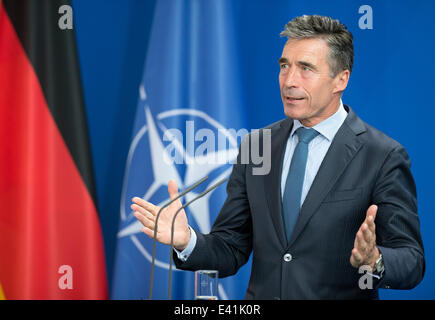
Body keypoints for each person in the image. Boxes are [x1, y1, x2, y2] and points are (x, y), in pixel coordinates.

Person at [131, 15, 425, 299]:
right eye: (284, 66)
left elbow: (412, 261)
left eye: (305, 68)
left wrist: (374, 260)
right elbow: (231, 247)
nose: (289, 80)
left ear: (340, 80)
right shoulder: (256, 146)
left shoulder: (382, 156)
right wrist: (187, 240)